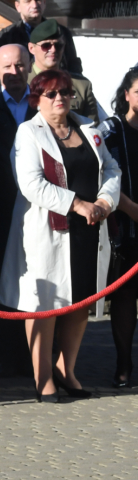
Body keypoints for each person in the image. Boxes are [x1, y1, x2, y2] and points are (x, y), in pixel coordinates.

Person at [0, 69, 120, 402]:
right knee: (45, 305)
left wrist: (106, 201)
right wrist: (78, 204)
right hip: (46, 230)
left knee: (80, 300)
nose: (60, 98)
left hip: (89, 229)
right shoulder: (29, 132)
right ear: (37, 99)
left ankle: (67, 370)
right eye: (51, 94)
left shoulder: (88, 127)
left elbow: (111, 167)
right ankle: (43, 377)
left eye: (65, 92)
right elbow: (31, 184)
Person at [0, 44, 36, 378]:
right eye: (6, 67)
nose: (14, 72)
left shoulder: (44, 103)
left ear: (29, 65)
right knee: (2, 281)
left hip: (39, 209)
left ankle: (39, 354)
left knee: (37, 278)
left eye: (19, 65)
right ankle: (7, 354)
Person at [100, 69, 138, 388]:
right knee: (124, 298)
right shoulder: (112, 130)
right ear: (126, 94)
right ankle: (123, 362)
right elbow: (105, 175)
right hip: (126, 227)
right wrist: (132, 210)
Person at [0, 0, 82, 74]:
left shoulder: (61, 32)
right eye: (28, 1)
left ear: (44, 2)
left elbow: (73, 65)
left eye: (37, 0)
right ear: (18, 6)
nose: (34, 5)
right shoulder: (6, 37)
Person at [27, 19, 99, 122]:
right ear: (31, 48)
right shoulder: (22, 83)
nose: (53, 50)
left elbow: (92, 128)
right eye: (46, 46)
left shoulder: (81, 86)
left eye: (58, 45)